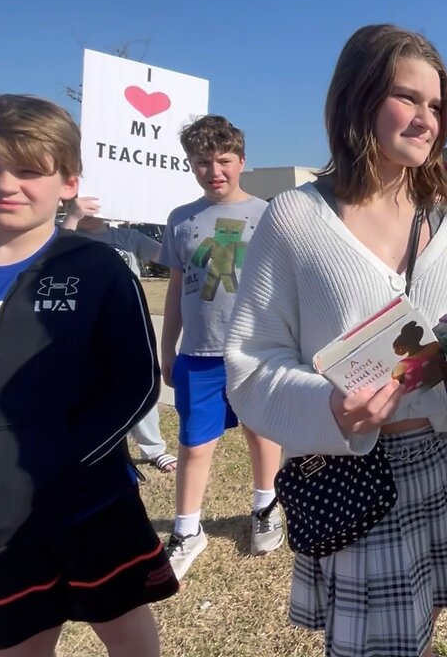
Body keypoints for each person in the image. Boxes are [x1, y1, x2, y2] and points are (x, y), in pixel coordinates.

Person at [223, 23, 447, 657]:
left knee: (426, 626)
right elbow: (251, 365)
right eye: (407, 98)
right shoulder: (295, 219)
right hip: (354, 474)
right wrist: (328, 406)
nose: (426, 120)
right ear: (357, 99)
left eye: (437, 105)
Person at [0, 94, 177, 656]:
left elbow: (136, 382)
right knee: (19, 642)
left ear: (68, 181)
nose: (7, 184)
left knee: (126, 630)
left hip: (89, 498)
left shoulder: (96, 268)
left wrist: (60, 463)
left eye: (29, 169)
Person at [156, 115, 284, 578]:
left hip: (255, 352)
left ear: (242, 161)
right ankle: (188, 530)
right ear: (190, 165)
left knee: (261, 433)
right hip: (199, 355)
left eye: (224, 160)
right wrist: (167, 348)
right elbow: (175, 289)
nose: (215, 171)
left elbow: (287, 284)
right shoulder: (181, 219)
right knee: (193, 444)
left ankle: (266, 507)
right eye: (202, 162)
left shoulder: (270, 213)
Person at [63, 195, 178, 474]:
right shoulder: (65, 236)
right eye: (76, 199)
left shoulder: (127, 237)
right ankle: (98, 447)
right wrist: (73, 218)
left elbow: (169, 257)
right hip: (83, 326)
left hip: (129, 320)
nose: (85, 205)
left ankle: (154, 449)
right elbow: (48, 255)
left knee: (140, 382)